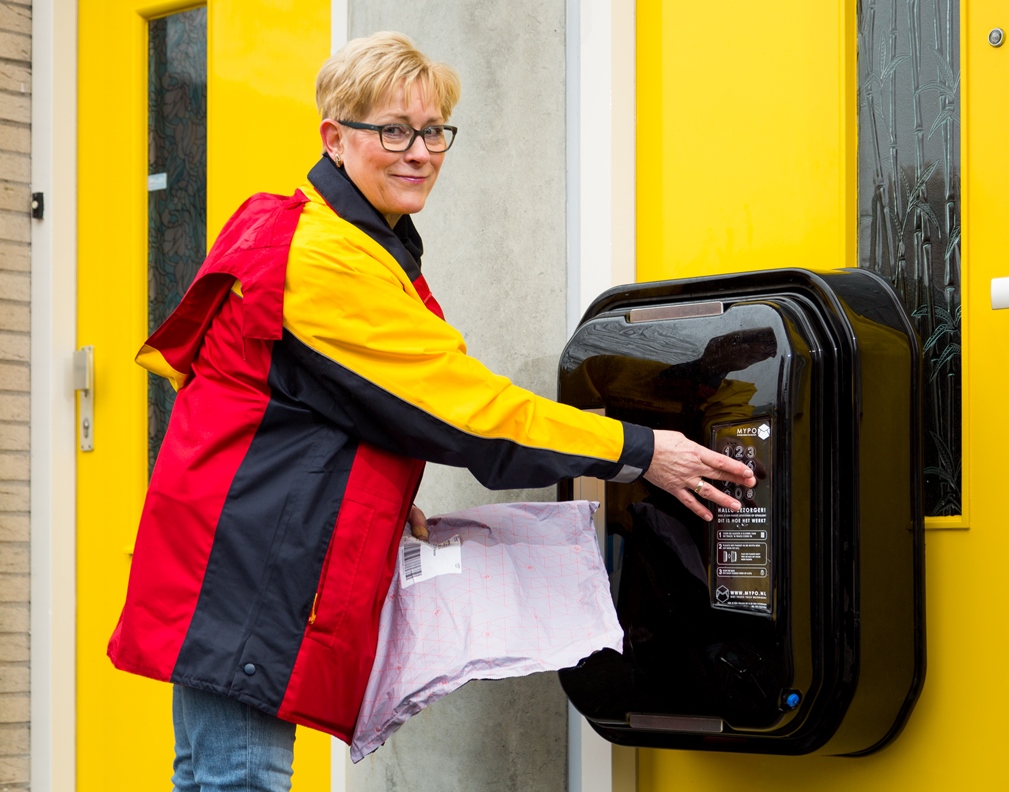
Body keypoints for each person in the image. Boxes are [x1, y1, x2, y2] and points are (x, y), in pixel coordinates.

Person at [107, 31, 756, 791]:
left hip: (232, 536)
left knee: (213, 774)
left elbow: (297, 393)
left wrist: (376, 489)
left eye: (433, 130)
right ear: (334, 138)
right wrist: (641, 450)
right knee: (239, 779)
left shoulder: (318, 230)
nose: (419, 153)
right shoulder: (324, 259)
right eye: (393, 131)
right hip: (253, 553)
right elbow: (472, 412)